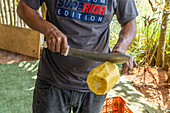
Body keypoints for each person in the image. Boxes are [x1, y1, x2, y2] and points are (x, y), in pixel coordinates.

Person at [17, 0, 138, 113]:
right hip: (52, 80)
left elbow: (129, 21)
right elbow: (24, 7)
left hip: (97, 83)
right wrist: (49, 30)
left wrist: (121, 48)